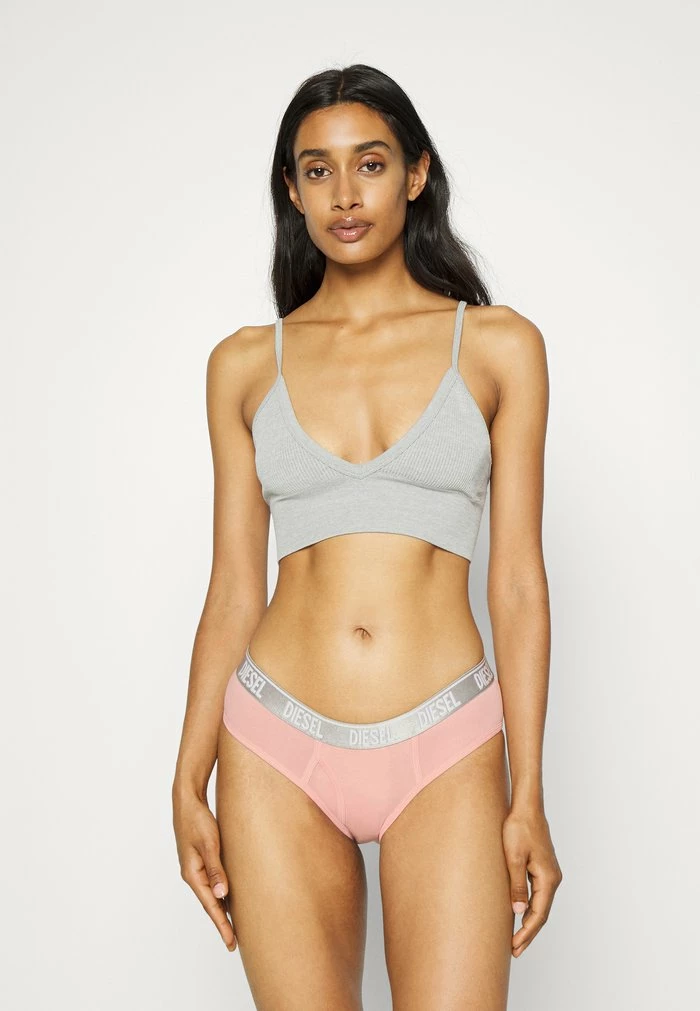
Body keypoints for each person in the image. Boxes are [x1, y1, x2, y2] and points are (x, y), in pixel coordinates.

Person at [172, 63, 562, 1010]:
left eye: (371, 163)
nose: (345, 194)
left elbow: (517, 581)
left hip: (445, 741)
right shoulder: (243, 365)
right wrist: (188, 778)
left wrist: (529, 794)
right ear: (292, 189)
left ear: (416, 174)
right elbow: (234, 588)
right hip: (274, 742)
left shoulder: (500, 345)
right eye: (317, 170)